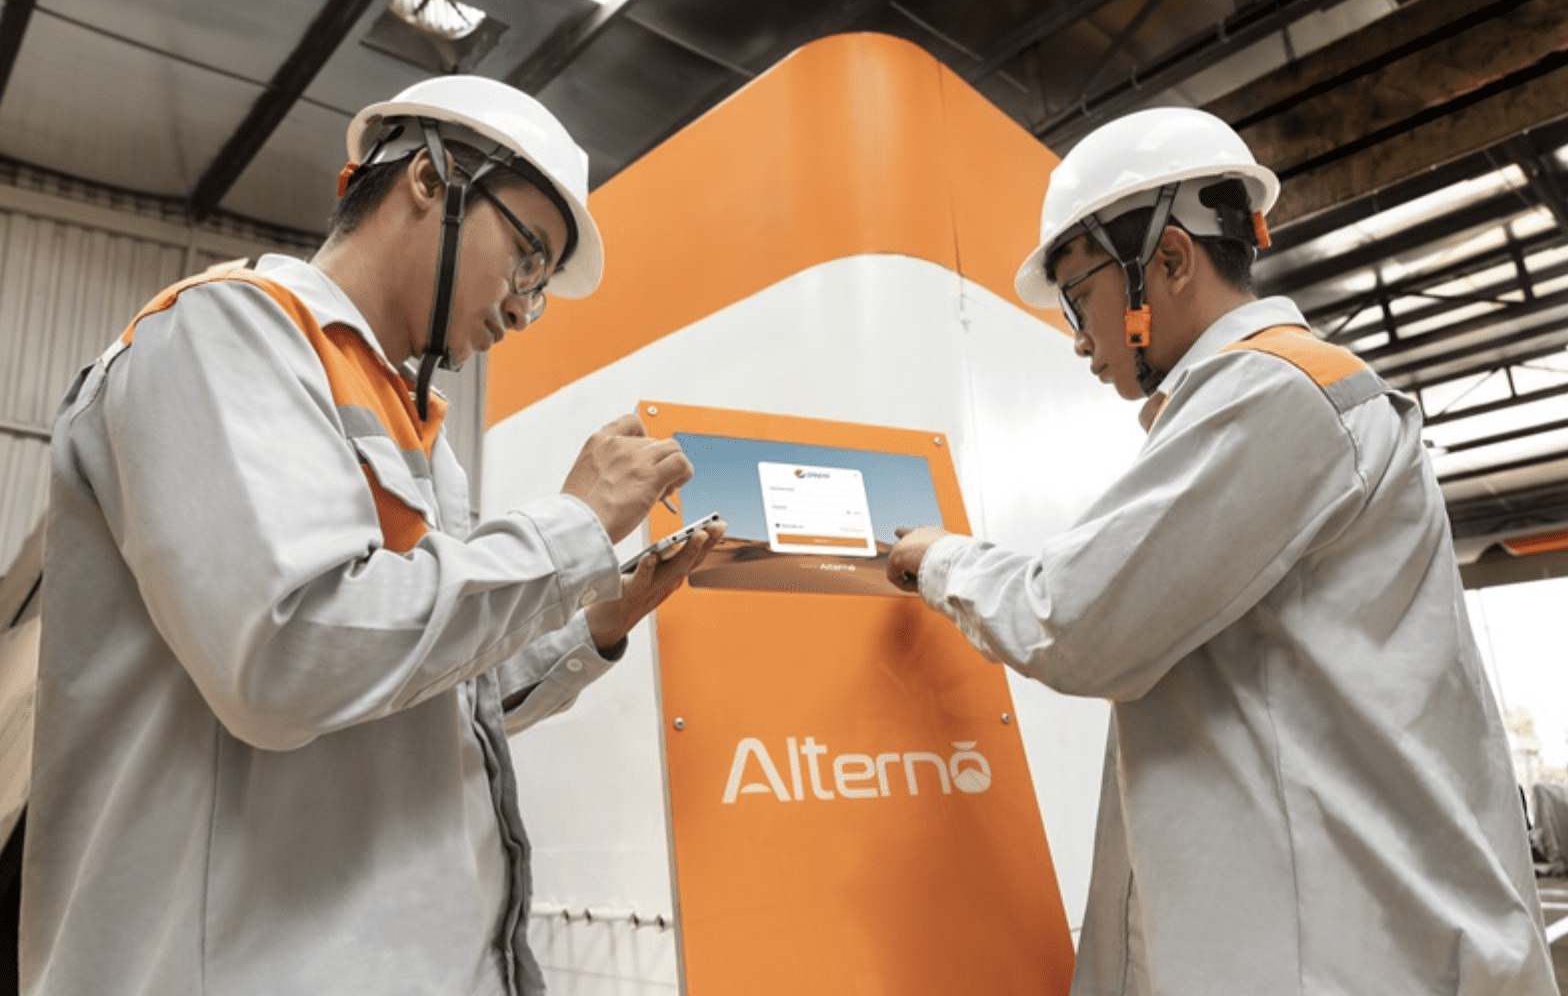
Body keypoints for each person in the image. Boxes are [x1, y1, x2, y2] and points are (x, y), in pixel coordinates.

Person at [20, 76, 723, 996]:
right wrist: (570, 529)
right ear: (430, 180)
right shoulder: (224, 332)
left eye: (541, 285)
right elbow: (288, 656)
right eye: (527, 258)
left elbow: (426, 698)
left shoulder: (418, 436)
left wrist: (595, 616)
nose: (524, 307)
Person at [887, 107, 1555, 994]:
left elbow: (1072, 618)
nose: (1079, 340)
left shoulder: (1277, 393)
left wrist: (942, 559)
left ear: (1169, 260)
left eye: (1080, 296)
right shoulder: (1271, 396)